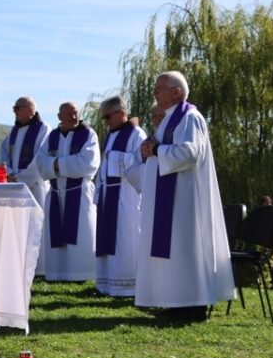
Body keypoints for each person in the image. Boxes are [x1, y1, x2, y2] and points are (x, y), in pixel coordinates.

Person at [135, 71, 235, 320]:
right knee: (174, 249)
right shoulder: (169, 119)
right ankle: (175, 302)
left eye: (160, 87)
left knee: (185, 247)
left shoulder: (190, 117)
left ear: (176, 91)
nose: (155, 92)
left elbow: (190, 153)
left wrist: (156, 148)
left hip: (185, 198)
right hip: (169, 196)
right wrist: (149, 148)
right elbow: (160, 151)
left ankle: (192, 305)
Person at [35, 101, 101, 281]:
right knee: (55, 233)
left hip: (79, 191)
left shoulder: (88, 134)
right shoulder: (52, 137)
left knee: (82, 233)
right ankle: (56, 273)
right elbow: (40, 163)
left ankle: (82, 273)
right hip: (56, 192)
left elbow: (88, 163)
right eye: (69, 113)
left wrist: (56, 163)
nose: (74, 117)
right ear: (59, 117)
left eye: (76, 113)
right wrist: (61, 164)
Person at [93, 96, 147, 296]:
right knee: (108, 238)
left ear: (122, 113)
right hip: (109, 194)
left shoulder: (136, 134)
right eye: (104, 118)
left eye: (108, 116)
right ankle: (107, 284)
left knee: (126, 238)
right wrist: (98, 192)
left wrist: (115, 159)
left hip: (127, 193)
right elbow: (103, 167)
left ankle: (127, 286)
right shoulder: (110, 135)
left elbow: (142, 163)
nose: (106, 121)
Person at [0, 96, 51, 273]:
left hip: (35, 187)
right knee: (17, 228)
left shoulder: (44, 129)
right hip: (14, 186)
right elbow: (4, 152)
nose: (14, 111)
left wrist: (22, 177)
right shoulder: (14, 131)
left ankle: (39, 268)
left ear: (30, 110)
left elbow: (40, 158)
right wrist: (9, 173)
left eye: (17, 108)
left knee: (36, 226)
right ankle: (18, 265)